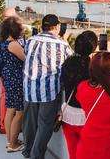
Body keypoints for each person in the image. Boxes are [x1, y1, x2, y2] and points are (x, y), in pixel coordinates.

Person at [22, 14, 74, 159]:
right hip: (48, 91)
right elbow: (72, 62)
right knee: (44, 126)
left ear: (42, 26)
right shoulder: (62, 44)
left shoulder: (31, 40)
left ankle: (27, 151)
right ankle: (36, 155)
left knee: (29, 124)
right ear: (57, 27)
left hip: (29, 89)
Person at [61, 31, 98, 159]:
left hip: (68, 114)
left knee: (73, 152)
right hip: (85, 116)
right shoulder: (93, 67)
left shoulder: (67, 63)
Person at [0, 16, 26, 152]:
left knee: (10, 110)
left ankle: (10, 140)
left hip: (9, 78)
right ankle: (13, 144)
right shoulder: (14, 44)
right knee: (19, 112)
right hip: (16, 79)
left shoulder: (4, 42)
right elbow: (25, 58)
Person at [0, 7, 18, 134]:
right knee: (6, 97)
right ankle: (3, 124)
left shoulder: (0, 30)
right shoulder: (3, 33)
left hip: (3, 69)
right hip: (6, 70)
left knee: (5, 96)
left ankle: (3, 122)